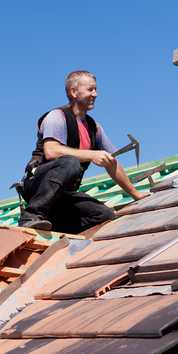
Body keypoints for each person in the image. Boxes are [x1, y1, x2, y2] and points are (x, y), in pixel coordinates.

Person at [17, 70, 149, 233]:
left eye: (95, 89)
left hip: (61, 195)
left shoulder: (94, 128)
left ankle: (50, 227)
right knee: (70, 162)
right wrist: (92, 154)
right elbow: (51, 151)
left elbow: (112, 163)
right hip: (36, 186)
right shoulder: (57, 117)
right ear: (74, 91)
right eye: (90, 89)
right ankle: (30, 216)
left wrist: (135, 193)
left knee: (104, 215)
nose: (96, 94)